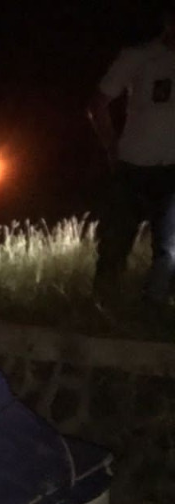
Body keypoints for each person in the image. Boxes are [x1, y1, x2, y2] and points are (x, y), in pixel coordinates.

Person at [88, 6, 175, 308]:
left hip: (172, 170)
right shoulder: (138, 57)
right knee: (115, 243)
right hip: (133, 166)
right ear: (167, 23)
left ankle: (153, 310)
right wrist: (111, 147)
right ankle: (103, 309)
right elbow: (98, 103)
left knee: (169, 248)